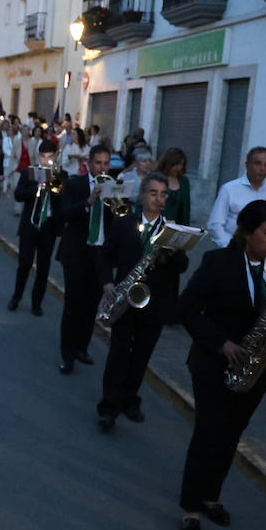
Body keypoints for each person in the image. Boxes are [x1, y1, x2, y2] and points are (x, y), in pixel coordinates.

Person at [176, 200, 266, 530]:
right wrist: (222, 344)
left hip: (256, 369)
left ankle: (211, 495)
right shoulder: (217, 262)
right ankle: (190, 507)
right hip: (214, 363)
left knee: (231, 435)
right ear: (246, 233)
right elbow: (186, 308)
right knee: (207, 435)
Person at [95, 174, 189, 431]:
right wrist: (107, 283)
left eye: (163, 194)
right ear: (143, 195)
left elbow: (182, 266)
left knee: (141, 357)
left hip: (156, 303)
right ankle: (108, 407)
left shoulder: (172, 231)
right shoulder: (124, 223)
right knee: (118, 355)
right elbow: (104, 256)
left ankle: (129, 400)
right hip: (126, 299)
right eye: (154, 193)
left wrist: (172, 248)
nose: (159, 199)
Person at [57, 144, 114, 375]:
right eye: (98, 162)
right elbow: (63, 214)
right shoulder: (75, 183)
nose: (102, 167)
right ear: (89, 163)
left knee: (91, 306)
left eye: (106, 163)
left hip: (100, 255)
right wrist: (88, 202)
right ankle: (67, 356)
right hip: (77, 253)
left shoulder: (114, 187)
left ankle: (82, 348)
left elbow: (117, 223)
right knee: (73, 306)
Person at [8, 141, 61, 315]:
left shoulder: (61, 175)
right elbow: (17, 196)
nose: (46, 161)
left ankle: (36, 303)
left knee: (43, 269)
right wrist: (36, 189)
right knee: (24, 264)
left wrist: (54, 188)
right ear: (39, 156)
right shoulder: (29, 172)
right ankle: (16, 296)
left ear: (55, 156)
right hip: (30, 226)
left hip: (49, 227)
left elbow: (63, 199)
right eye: (44, 157)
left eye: (50, 157)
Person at [206, 146, 266, 248]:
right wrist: (229, 245)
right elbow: (215, 224)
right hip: (234, 248)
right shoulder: (229, 189)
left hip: (261, 251)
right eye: (258, 163)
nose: (263, 169)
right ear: (247, 165)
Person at [157, 147, 192, 227]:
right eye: (175, 164)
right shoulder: (156, 179)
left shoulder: (184, 182)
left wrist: (186, 229)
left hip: (178, 227)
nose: (178, 168)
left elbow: (186, 209)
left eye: (181, 164)